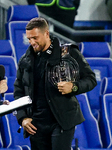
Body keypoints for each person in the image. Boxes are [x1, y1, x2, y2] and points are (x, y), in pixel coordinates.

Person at [14, 17, 97, 150]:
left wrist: (73, 87)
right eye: (29, 39)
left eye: (35, 38)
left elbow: (91, 79)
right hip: (36, 124)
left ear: (46, 33)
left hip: (62, 121)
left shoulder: (69, 54)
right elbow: (18, 92)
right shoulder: (25, 60)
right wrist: (22, 118)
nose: (32, 42)